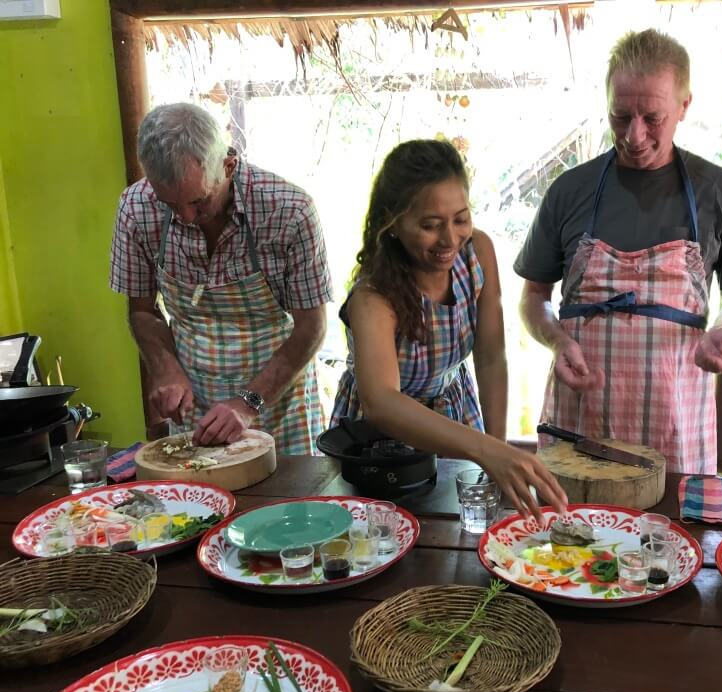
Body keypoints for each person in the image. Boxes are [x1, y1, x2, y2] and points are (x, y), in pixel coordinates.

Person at [516, 29, 722, 474]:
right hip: (581, 418)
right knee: (572, 541)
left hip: (676, 423)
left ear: (684, 106)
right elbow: (533, 297)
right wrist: (557, 340)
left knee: (675, 535)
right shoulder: (569, 190)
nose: (634, 136)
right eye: (620, 116)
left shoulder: (719, 191)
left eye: (652, 117)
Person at [331, 139, 566, 521]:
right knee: (385, 535)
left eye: (460, 218)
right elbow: (382, 403)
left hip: (454, 411)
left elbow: (490, 356)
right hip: (380, 439)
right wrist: (485, 450)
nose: (449, 239)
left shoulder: (478, 253)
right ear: (393, 224)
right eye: (429, 225)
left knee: (466, 532)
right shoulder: (373, 295)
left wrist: (496, 446)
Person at [110, 103, 332, 454]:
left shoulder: (289, 211)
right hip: (196, 412)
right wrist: (164, 367)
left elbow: (312, 327)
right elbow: (142, 310)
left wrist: (248, 404)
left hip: (279, 409)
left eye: (199, 201)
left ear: (228, 166)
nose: (185, 217)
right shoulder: (136, 208)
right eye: (170, 204)